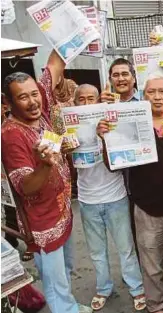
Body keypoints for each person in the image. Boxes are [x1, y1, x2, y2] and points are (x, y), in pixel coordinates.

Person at [97, 74, 163, 313]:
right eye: (151, 92)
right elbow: (112, 164)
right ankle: (156, 303)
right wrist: (106, 139)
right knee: (151, 259)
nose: (157, 97)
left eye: (162, 91)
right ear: (142, 96)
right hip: (147, 205)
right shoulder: (130, 126)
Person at [1, 50, 93, 313]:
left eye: (34, 94)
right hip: (42, 224)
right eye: (23, 97)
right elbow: (25, 186)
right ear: (7, 102)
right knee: (54, 281)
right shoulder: (10, 135)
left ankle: (70, 305)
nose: (32, 101)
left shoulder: (39, 106)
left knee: (65, 270)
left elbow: (55, 64)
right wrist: (45, 164)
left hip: (62, 213)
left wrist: (65, 25)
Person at [73, 84, 147, 311]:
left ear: (99, 101)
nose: (87, 104)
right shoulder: (70, 127)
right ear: (75, 103)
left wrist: (104, 137)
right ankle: (103, 288)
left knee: (125, 248)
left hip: (115, 197)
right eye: (81, 100)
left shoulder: (110, 124)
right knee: (96, 252)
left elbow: (116, 165)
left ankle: (137, 288)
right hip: (87, 199)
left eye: (91, 99)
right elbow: (68, 166)